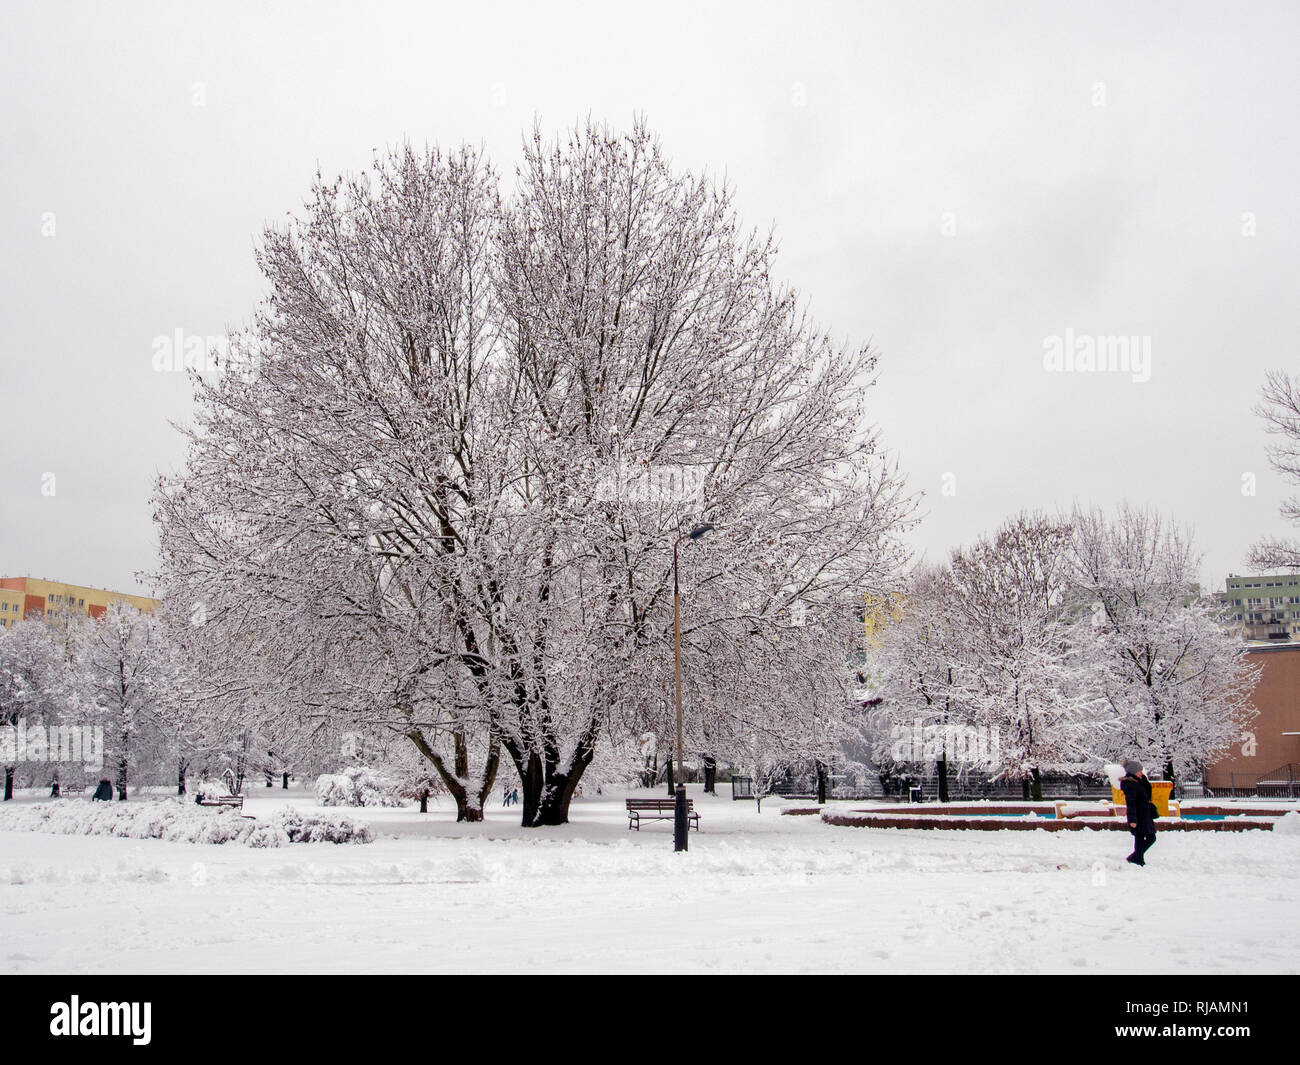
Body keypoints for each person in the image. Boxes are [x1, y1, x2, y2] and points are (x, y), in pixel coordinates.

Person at [1119, 758, 1157, 866]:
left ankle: (1135, 857)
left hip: (1145, 814)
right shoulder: (1130, 784)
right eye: (1139, 771)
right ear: (1133, 772)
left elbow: (1148, 793)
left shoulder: (1140, 782)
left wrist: (1144, 780)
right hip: (1138, 815)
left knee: (1151, 837)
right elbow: (1131, 803)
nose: (1141, 772)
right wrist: (1132, 819)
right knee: (1140, 838)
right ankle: (1138, 859)